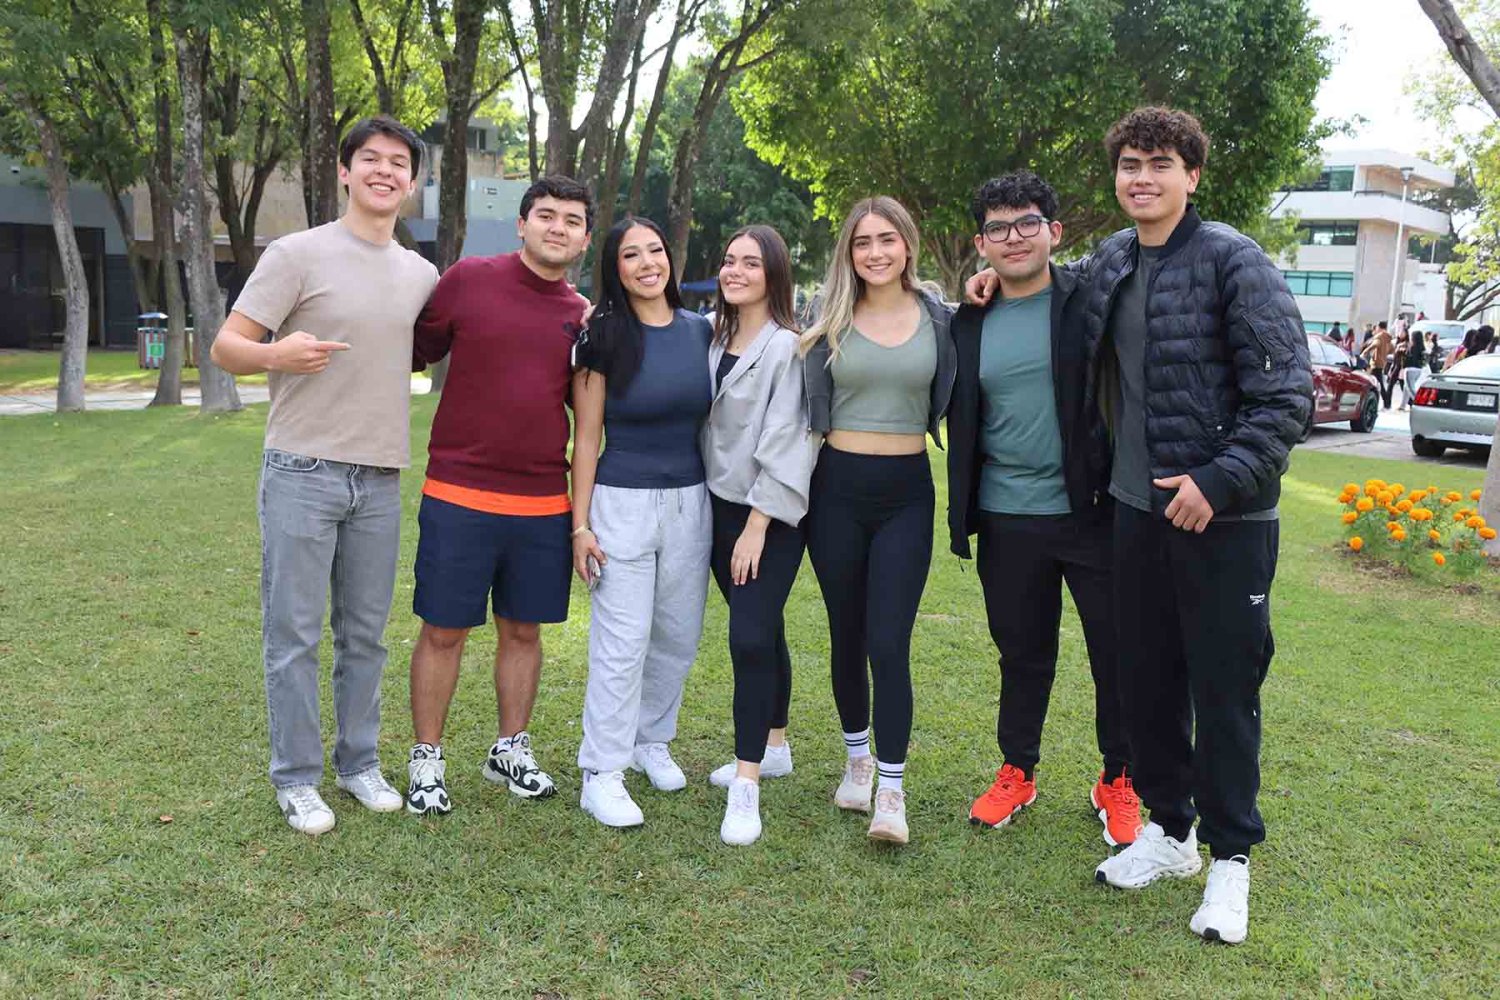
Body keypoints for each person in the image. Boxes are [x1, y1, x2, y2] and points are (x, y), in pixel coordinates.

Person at [966, 106, 1313, 944]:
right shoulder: (1114, 261)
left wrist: (1217, 481)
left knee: (1223, 690)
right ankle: (1171, 830)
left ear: (1192, 175)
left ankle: (1231, 860)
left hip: (1223, 521)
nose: (1142, 177)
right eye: (1130, 164)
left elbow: (1287, 396)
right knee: (1145, 683)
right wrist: (988, 281)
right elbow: (1045, 282)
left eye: (1160, 163)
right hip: (1131, 514)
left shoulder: (1235, 261)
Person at [209, 116, 439, 835]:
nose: (384, 170)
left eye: (398, 162)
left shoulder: (421, 274)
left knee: (366, 635)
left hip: (380, 477)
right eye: (370, 158)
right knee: (295, 635)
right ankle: (297, 778)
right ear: (344, 171)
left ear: (412, 182)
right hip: (301, 470)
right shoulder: (296, 253)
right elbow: (225, 347)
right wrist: (277, 356)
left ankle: (358, 763)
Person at [946, 171, 1140, 847]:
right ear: (981, 244)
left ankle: (1119, 777)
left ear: (1054, 232)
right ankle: (1017, 770)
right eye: (998, 228)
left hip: (1093, 510)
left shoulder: (1090, 303)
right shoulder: (969, 320)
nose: (1014, 238)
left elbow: (1129, 247)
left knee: (1116, 651)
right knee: (1022, 653)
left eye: (1028, 223)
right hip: (1007, 515)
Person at [402, 176, 594, 816]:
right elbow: (409, 350)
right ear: (521, 224)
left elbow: (593, 413)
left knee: (524, 630)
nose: (558, 227)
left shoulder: (583, 318)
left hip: (542, 502)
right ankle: (427, 759)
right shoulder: (468, 280)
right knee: (444, 630)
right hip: (458, 492)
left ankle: (509, 748)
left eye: (572, 220)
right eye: (547, 215)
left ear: (585, 240)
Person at [801, 196, 956, 846]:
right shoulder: (826, 312)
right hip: (835, 490)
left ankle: (891, 790)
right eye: (862, 242)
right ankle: (858, 760)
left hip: (906, 495)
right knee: (847, 634)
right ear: (849, 251)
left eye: (886, 239)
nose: (875, 252)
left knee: (888, 642)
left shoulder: (939, 316)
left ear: (907, 244)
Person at [571, 217, 714, 828]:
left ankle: (650, 739)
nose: (647, 263)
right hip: (621, 503)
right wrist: (580, 526)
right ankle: (601, 772)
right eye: (631, 255)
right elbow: (586, 439)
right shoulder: (601, 334)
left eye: (655, 250)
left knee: (677, 636)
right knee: (621, 643)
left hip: (691, 502)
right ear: (616, 268)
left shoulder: (701, 331)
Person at [700, 225, 819, 846]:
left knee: (747, 636)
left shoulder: (788, 348)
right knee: (764, 629)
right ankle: (775, 746)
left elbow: (790, 439)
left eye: (751, 263)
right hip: (714, 508)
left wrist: (756, 525)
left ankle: (746, 784)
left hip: (765, 517)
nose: (735, 271)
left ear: (774, 274)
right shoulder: (711, 335)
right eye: (729, 260)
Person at [1361, 321, 1394, 408]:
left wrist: (1365, 352)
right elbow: (1392, 349)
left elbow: (1376, 344)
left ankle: (1383, 403)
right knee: (1378, 383)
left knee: (1371, 383)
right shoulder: (1388, 338)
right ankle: (1386, 403)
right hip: (1382, 362)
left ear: (1379, 327)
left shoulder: (1380, 336)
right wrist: (1384, 353)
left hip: (1376, 363)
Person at [1399, 325, 1427, 408]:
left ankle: (1420, 404)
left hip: (1410, 370)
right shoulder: (1422, 348)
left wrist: (1403, 352)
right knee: (1406, 387)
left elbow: (1407, 358)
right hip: (1418, 370)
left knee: (1410, 389)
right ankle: (1402, 406)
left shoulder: (1412, 347)